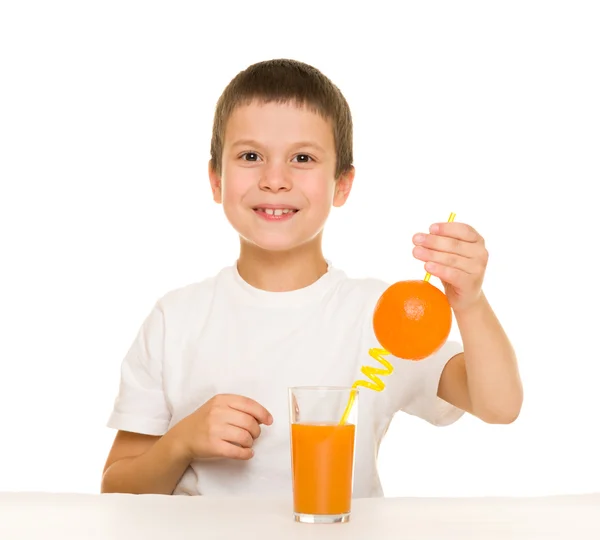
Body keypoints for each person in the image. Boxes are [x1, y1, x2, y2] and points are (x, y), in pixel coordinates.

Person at [100, 58, 523, 498]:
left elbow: (499, 406)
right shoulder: (176, 319)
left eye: (302, 158)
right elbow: (116, 488)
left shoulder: (383, 315)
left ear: (342, 185)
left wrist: (469, 303)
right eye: (250, 156)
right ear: (216, 180)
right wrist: (180, 442)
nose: (275, 179)